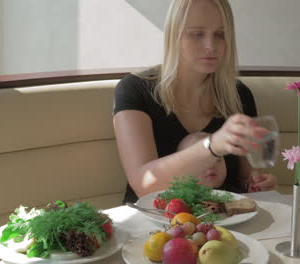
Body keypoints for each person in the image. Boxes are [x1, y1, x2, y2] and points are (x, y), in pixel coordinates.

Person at [113, 0, 277, 204]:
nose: (210, 46)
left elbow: (246, 177)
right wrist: (212, 146)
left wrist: (256, 184)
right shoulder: (134, 89)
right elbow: (143, 184)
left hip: (225, 224)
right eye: (197, 34)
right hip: (153, 224)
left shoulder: (239, 95)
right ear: (174, 35)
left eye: (220, 34)